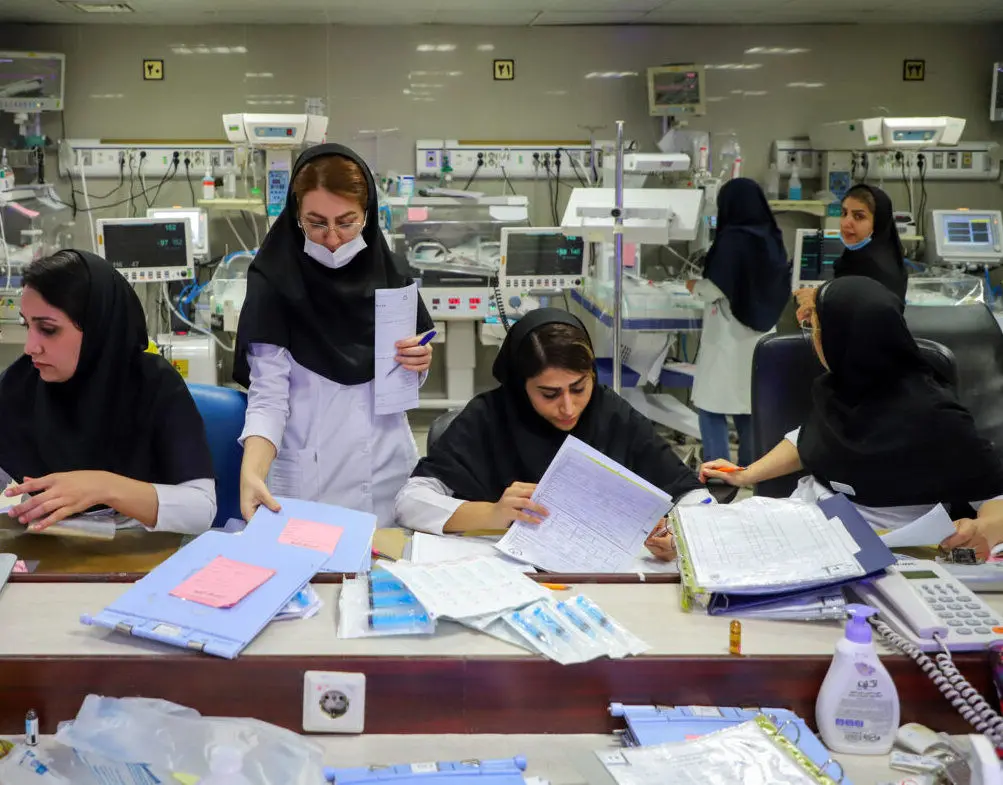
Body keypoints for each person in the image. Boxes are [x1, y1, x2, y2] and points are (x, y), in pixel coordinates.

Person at [702, 276, 1003, 560]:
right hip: (807, 524)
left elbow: (994, 494)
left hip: (893, 546)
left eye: (817, 329)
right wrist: (745, 474)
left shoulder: (937, 418)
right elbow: (809, 440)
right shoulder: (839, 388)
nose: (815, 340)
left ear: (843, 340)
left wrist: (984, 530)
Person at [394, 309, 711, 561]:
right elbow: (411, 501)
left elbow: (691, 494)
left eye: (579, 387)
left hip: (602, 577)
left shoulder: (610, 413)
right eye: (549, 394)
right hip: (503, 572)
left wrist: (676, 535)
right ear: (520, 385)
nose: (569, 408)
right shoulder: (489, 417)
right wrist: (492, 514)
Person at [235, 143, 435, 526]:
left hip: (387, 471)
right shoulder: (273, 282)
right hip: (310, 478)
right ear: (295, 214)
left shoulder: (390, 276)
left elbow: (406, 367)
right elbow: (269, 398)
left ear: (368, 214)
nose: (331, 238)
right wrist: (253, 472)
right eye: (315, 222)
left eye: (346, 223)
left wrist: (419, 363)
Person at [0, 250, 216, 534]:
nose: (30, 347)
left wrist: (104, 487)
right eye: (27, 325)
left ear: (97, 325)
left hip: (140, 555)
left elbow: (202, 509)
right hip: (41, 553)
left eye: (48, 329)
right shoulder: (20, 381)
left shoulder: (154, 385)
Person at [687, 178, 789, 467]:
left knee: (710, 407)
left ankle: (718, 472)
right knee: (748, 408)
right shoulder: (771, 236)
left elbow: (718, 287)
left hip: (729, 338)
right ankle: (749, 471)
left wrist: (694, 285)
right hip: (761, 337)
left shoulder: (732, 240)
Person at [795, 184, 907, 322]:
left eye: (859, 216)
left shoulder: (878, 271)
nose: (846, 223)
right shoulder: (855, 260)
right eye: (844, 213)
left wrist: (820, 300)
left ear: (878, 223)